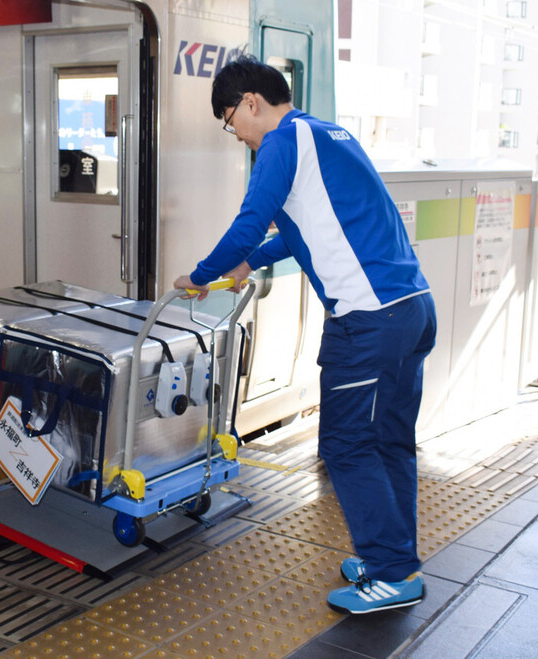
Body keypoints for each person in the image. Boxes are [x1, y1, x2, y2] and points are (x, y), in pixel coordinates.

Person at [173, 55, 437, 615]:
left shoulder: (280, 143)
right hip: (410, 308)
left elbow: (249, 221)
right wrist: (251, 264)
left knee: (346, 445)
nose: (235, 134)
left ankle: (392, 572)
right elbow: (303, 231)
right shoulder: (325, 132)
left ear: (250, 103)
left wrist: (199, 275)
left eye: (230, 120)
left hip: (367, 321)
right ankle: (394, 558)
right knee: (389, 441)